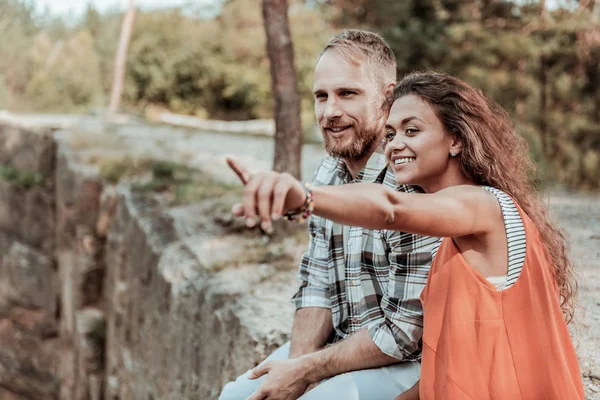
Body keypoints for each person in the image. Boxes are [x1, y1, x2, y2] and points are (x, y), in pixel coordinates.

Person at [227, 71, 585, 400]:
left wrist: (303, 199)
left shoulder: (482, 206)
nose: (394, 145)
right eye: (391, 134)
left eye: (412, 131)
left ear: (456, 140)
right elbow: (447, 359)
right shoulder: (447, 234)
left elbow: (390, 209)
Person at [219, 31, 440, 400]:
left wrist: (309, 373)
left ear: (389, 97)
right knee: (236, 396)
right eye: (321, 96)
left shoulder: (409, 177)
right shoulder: (329, 173)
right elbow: (317, 283)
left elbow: (404, 334)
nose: (330, 111)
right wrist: (296, 370)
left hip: (410, 364)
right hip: (341, 347)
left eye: (347, 94)